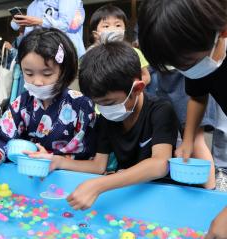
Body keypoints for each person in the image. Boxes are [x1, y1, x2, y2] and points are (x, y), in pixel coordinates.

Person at [138, 0, 227, 236]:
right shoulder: (198, 60)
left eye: (186, 63)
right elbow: (197, 97)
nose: (183, 70)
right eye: (174, 64)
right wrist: (188, 140)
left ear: (222, 32)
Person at [0, 28, 96, 170]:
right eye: (28, 73)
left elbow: (92, 158)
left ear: (65, 71)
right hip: (28, 173)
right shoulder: (22, 103)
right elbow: (2, 138)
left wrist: (57, 161)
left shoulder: (81, 105)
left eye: (47, 74)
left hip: (68, 175)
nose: (37, 81)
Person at [66, 41, 181, 210]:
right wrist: (56, 162)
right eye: (98, 103)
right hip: (125, 193)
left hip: (161, 195)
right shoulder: (106, 116)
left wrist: (99, 185)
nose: (104, 108)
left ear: (137, 89)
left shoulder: (160, 111)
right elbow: (98, 165)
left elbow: (160, 164)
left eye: (109, 102)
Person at [88, 4, 150, 85]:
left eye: (118, 25)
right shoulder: (91, 55)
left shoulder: (134, 52)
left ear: (124, 30)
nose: (113, 29)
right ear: (96, 34)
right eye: (106, 26)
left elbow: (146, 76)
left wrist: (133, 87)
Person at [11, 0, 86, 58]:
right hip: (44, 57)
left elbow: (65, 25)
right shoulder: (32, 6)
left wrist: (40, 22)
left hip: (69, 54)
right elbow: (29, 35)